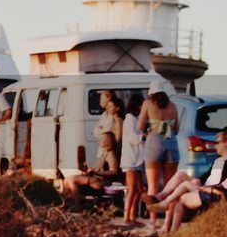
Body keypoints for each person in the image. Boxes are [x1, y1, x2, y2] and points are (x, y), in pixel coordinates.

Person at [155, 146, 227, 234]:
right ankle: (167, 210)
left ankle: (167, 211)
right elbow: (225, 186)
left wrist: (210, 190)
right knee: (184, 187)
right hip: (215, 193)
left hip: (217, 197)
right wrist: (209, 188)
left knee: (182, 196)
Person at [138, 84, 179, 207]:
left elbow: (139, 126)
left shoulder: (147, 103)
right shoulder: (173, 106)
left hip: (154, 142)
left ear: (151, 94)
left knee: (153, 185)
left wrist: (152, 125)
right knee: (170, 186)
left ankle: (153, 221)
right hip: (171, 141)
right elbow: (176, 128)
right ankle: (168, 221)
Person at [63, 132, 122, 208]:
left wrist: (98, 172)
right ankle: (68, 204)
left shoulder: (110, 154)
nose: (99, 140)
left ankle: (78, 206)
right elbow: (98, 169)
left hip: (101, 181)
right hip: (95, 178)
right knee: (66, 180)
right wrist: (89, 169)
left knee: (71, 180)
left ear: (108, 140)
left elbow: (114, 171)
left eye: (102, 139)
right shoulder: (104, 153)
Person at [120, 95, 145, 226]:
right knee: (132, 188)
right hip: (131, 159)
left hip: (137, 159)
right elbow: (132, 138)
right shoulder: (130, 119)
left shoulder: (135, 119)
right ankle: (127, 218)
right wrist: (144, 136)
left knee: (139, 189)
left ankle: (132, 216)